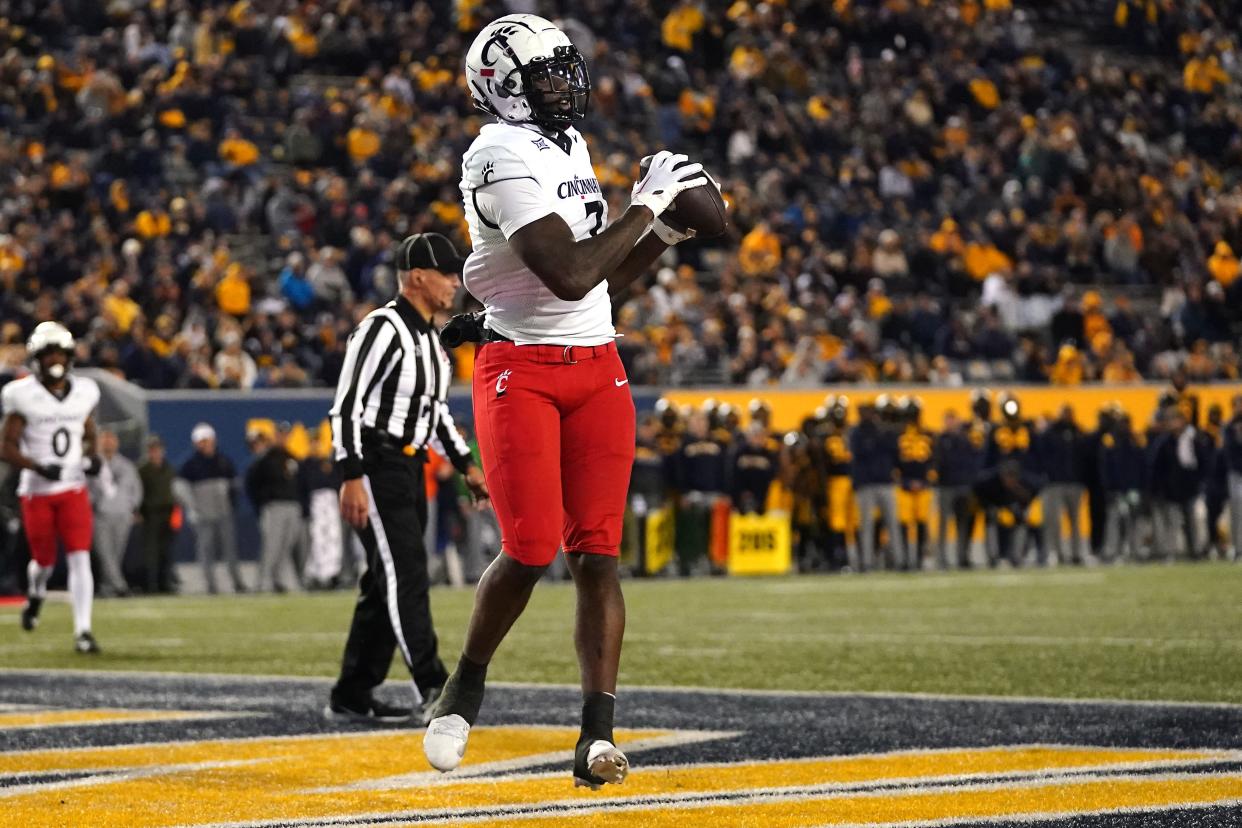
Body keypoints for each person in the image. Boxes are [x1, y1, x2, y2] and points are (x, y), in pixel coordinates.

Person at [423, 14, 711, 789]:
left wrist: (665, 237)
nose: (562, 81)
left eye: (562, 67)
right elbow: (569, 273)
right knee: (531, 547)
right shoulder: (495, 153)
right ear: (503, 89)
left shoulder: (568, 145)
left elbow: (603, 284)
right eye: (542, 72)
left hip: (599, 366)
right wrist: (645, 209)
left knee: (598, 555)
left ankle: (595, 737)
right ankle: (466, 684)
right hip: (522, 366)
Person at [325, 232, 487, 725]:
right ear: (418, 277)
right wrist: (351, 474)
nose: (454, 284)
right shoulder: (382, 328)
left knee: (384, 583)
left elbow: (435, 413)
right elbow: (347, 407)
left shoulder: (430, 341)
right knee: (407, 574)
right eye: (447, 274)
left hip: (411, 467)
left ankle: (353, 691)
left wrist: (466, 466)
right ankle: (433, 685)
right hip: (377, 462)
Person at [0, 322, 103, 652]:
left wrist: (94, 456)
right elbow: (6, 447)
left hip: (73, 488)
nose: (55, 360)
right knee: (43, 563)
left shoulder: (84, 392)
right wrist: (38, 466)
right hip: (37, 492)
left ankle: (83, 631)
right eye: (48, 354)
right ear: (37, 358)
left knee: (79, 556)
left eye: (60, 353)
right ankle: (36, 593)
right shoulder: (22, 395)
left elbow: (87, 430)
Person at [179, 422, 246, 594]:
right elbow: (181, 488)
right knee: (205, 550)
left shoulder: (224, 461)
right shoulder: (190, 464)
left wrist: (231, 504)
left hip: (224, 512)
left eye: (207, 440)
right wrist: (192, 508)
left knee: (230, 550)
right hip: (204, 514)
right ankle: (211, 586)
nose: (205, 444)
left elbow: (234, 485)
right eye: (202, 441)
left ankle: (237, 582)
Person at [244, 424, 302, 592]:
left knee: (286, 546)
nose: (283, 438)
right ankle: (262, 583)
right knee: (271, 547)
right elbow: (252, 484)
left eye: (286, 435)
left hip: (292, 505)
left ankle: (279, 581)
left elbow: (299, 483)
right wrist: (262, 505)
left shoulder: (291, 457)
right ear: (275, 436)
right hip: (274, 506)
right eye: (280, 434)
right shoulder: (265, 458)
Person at [849, 400, 904, 571]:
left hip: (885, 482)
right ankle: (866, 562)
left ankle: (899, 560)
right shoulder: (857, 433)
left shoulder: (884, 431)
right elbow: (858, 454)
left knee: (892, 523)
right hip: (866, 484)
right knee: (866, 525)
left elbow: (895, 453)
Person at [88, 428, 142, 597]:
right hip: (101, 515)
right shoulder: (92, 464)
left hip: (122, 515)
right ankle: (121, 586)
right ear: (98, 442)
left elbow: (136, 489)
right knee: (105, 553)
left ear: (117, 443)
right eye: (104, 439)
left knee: (117, 553)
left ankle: (107, 588)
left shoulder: (126, 466)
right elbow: (84, 488)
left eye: (111, 439)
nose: (108, 442)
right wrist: (92, 505)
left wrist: (132, 507)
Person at [137, 435, 179, 594]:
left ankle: (166, 584)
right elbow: (139, 493)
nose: (155, 452)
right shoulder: (142, 470)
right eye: (152, 449)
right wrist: (139, 511)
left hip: (168, 513)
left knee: (166, 551)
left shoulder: (169, 468)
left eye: (158, 449)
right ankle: (151, 585)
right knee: (151, 553)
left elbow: (174, 492)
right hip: (150, 514)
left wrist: (176, 512)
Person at [1225, 394, 1242, 561]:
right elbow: (1229, 451)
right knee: (1236, 511)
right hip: (1236, 473)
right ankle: (1236, 547)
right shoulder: (1229, 427)